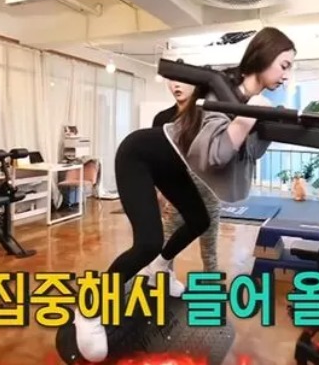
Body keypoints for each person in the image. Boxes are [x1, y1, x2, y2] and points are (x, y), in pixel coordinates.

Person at [74, 27, 296, 362]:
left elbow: (250, 151)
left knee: (198, 220)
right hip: (139, 155)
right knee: (147, 243)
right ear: (264, 57)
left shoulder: (249, 101)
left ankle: (159, 269)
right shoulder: (222, 90)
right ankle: (88, 310)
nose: (286, 74)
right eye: (284, 65)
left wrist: (265, 122)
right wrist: (247, 117)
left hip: (173, 164)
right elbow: (216, 155)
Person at [153, 78, 221, 281]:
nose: (176, 85)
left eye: (182, 81)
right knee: (166, 247)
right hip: (178, 192)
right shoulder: (163, 118)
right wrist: (160, 191)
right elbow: (158, 158)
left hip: (209, 191)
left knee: (209, 250)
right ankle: (164, 283)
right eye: (171, 81)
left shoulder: (210, 116)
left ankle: (211, 287)